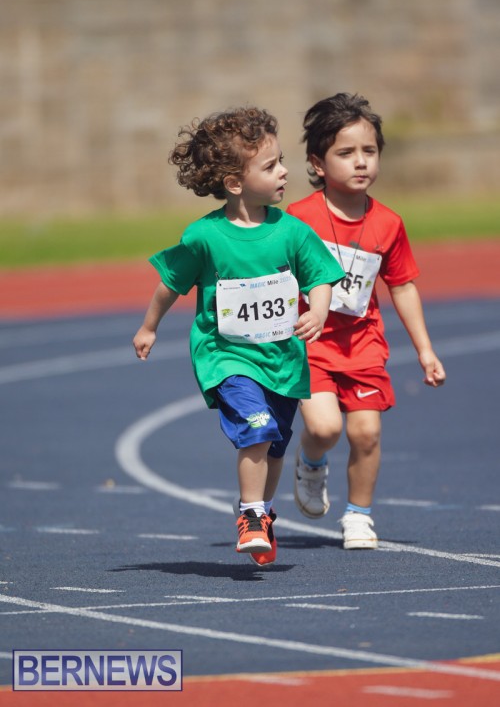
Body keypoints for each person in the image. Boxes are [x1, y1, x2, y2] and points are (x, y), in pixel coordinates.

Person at [133, 106, 345, 566]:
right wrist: (150, 326)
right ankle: (250, 514)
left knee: (275, 445)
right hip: (226, 357)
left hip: (282, 361)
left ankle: (261, 511)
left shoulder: (292, 232)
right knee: (257, 428)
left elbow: (320, 277)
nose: (284, 171)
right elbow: (171, 282)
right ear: (235, 183)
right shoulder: (204, 237)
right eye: (270, 166)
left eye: (281, 161)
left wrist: (318, 311)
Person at [286, 92, 446, 550]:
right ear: (317, 164)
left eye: (369, 151)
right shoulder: (297, 219)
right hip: (311, 343)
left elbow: (403, 286)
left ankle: (358, 515)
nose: (361, 162)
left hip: (363, 346)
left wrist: (425, 350)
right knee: (324, 428)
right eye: (346, 153)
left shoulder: (388, 224)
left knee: (367, 433)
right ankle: (311, 462)